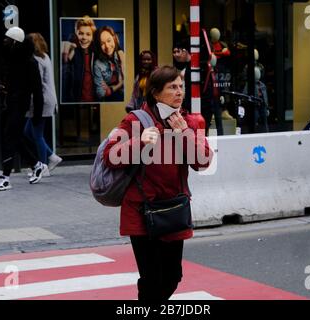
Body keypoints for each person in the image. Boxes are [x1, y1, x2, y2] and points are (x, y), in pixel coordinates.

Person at [103, 66, 212, 301]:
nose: (179, 92)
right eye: (172, 87)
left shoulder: (189, 122)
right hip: (141, 211)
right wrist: (139, 142)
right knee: (152, 278)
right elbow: (110, 157)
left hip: (174, 210)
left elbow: (203, 162)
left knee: (172, 277)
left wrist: (184, 133)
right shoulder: (136, 120)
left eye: (181, 86)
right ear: (155, 92)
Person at [0, 26, 46, 191]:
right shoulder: (9, 58)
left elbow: (37, 91)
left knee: (10, 137)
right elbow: (7, 79)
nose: (4, 41)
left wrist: (37, 114)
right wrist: (2, 86)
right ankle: (36, 164)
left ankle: (6, 177)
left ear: (15, 41)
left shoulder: (30, 62)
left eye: (7, 39)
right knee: (14, 137)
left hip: (19, 104)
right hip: (9, 103)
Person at [24, 33, 62, 174]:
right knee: (28, 132)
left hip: (41, 101)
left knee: (37, 135)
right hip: (47, 99)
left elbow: (36, 83)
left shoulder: (36, 60)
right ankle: (52, 156)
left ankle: (43, 167)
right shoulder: (45, 56)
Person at [61, 16, 97, 103]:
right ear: (76, 34)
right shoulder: (72, 51)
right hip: (75, 101)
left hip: (94, 101)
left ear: (92, 37)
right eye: (81, 33)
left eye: (88, 34)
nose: (84, 37)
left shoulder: (96, 52)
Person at [93, 26, 125, 102]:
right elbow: (100, 93)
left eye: (109, 40)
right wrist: (119, 84)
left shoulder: (122, 55)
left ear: (114, 39)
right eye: (102, 44)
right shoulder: (98, 64)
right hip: (110, 101)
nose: (107, 46)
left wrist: (122, 59)